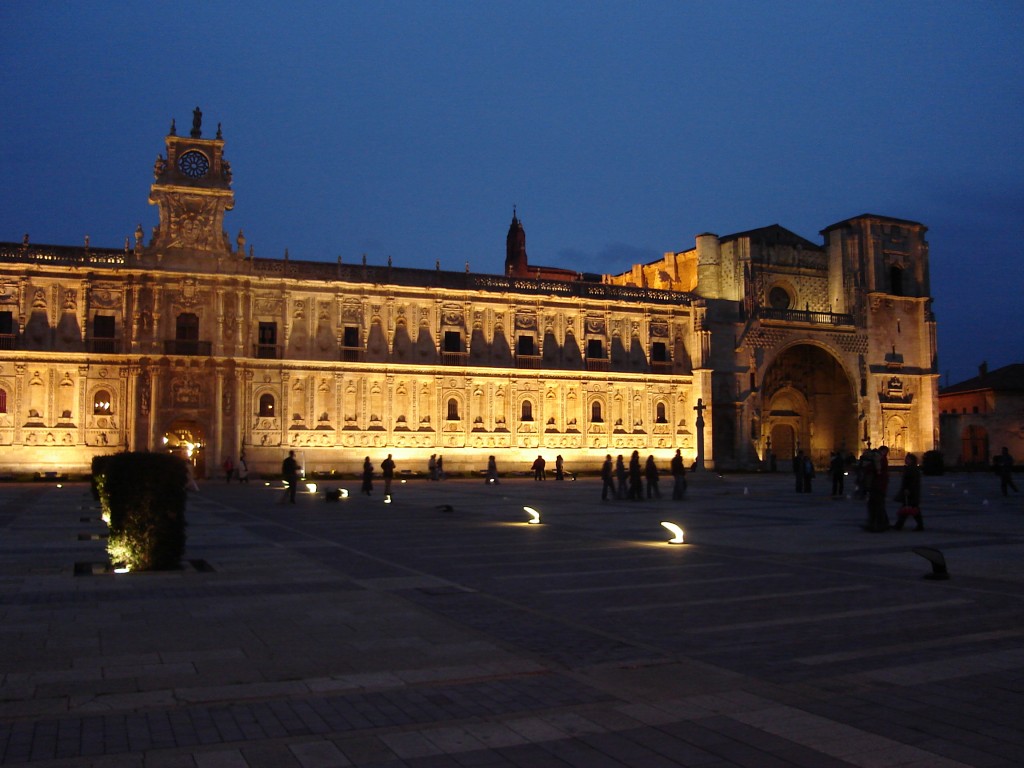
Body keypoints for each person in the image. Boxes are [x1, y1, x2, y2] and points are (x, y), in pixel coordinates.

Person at [893, 453, 923, 530]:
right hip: (911, 492)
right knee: (909, 508)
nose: (905, 460)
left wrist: (908, 489)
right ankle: (899, 525)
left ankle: (899, 525)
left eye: (907, 459)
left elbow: (912, 481)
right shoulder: (910, 468)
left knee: (909, 508)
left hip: (911, 492)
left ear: (911, 460)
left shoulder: (912, 469)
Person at [863, 449, 889, 532]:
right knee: (876, 506)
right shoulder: (876, 463)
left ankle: (878, 525)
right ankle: (878, 524)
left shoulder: (880, 463)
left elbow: (875, 474)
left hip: (877, 487)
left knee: (877, 506)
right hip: (876, 487)